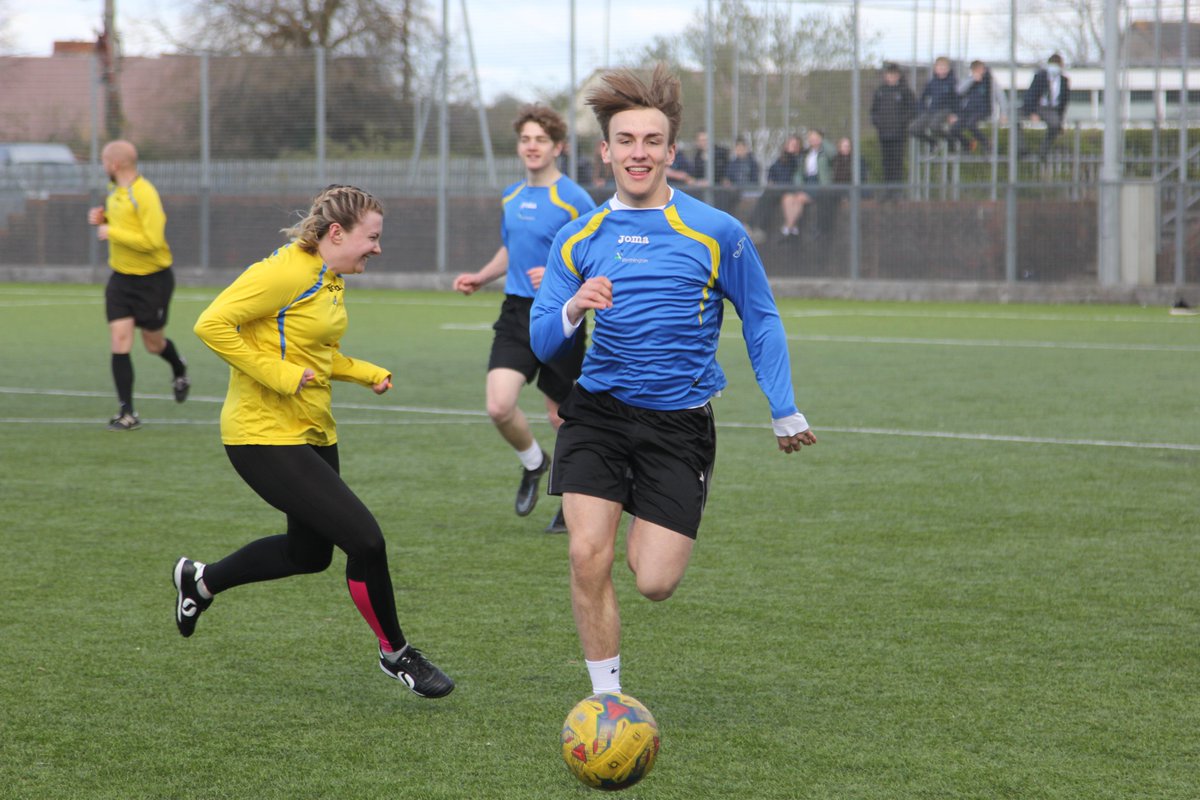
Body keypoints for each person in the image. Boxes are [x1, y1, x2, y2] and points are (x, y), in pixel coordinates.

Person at [528, 65, 817, 695]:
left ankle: (638, 507)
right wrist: (575, 306)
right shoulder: (578, 237)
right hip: (598, 415)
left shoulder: (717, 231)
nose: (639, 153)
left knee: (654, 581)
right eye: (625, 141)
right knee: (586, 555)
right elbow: (542, 335)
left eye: (651, 141)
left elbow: (761, 317)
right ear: (605, 151)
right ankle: (607, 704)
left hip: (678, 425)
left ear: (670, 151)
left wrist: (783, 406)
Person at [175, 185, 454, 699]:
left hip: (311, 430)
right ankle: (397, 654)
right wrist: (279, 375)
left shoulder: (329, 277)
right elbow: (211, 324)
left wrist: (367, 372)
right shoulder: (286, 271)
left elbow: (319, 355)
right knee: (366, 541)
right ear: (336, 233)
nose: (377, 247)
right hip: (261, 435)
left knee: (309, 555)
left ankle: (201, 581)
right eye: (371, 238)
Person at [452, 105, 596, 533]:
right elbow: (512, 249)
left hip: (559, 314)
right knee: (499, 405)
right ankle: (535, 464)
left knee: (561, 418)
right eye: (525, 140)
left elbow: (594, 258)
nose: (532, 147)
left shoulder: (575, 199)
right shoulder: (512, 196)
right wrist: (482, 276)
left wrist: (559, 278)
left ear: (559, 147)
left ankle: (572, 501)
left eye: (541, 140)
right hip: (516, 310)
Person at [86, 140, 189, 431]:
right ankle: (127, 412)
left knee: (153, 344)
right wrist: (103, 218)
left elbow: (152, 241)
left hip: (153, 280)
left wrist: (112, 231)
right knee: (120, 340)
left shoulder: (144, 194)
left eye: (104, 162)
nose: (103, 167)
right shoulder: (114, 190)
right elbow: (123, 224)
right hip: (121, 279)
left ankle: (179, 369)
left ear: (114, 164)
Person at [779, 128, 834, 238]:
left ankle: (787, 228)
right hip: (806, 182)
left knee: (799, 198)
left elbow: (833, 152)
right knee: (787, 198)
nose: (813, 139)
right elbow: (800, 171)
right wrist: (799, 184)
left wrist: (822, 141)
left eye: (815, 137)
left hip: (818, 183)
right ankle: (793, 228)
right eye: (811, 137)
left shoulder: (825, 152)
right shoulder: (806, 153)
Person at [870, 63, 917, 185]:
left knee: (897, 162)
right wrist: (878, 123)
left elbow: (912, 110)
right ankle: (887, 190)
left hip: (898, 134)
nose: (891, 77)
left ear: (898, 75)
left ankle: (897, 191)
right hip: (884, 133)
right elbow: (873, 110)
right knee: (886, 162)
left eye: (894, 74)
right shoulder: (880, 91)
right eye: (889, 74)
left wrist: (901, 123)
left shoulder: (904, 91)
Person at [1020, 54, 1070, 159]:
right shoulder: (1040, 76)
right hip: (1037, 106)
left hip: (1051, 109)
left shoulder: (1064, 81)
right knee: (1014, 117)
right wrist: (1032, 112)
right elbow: (1030, 95)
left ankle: (1043, 152)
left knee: (1055, 124)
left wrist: (1061, 121)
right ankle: (1021, 150)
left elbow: (1064, 102)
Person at [909, 56, 958, 147]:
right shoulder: (932, 82)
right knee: (913, 129)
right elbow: (923, 98)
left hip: (945, 110)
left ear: (948, 69)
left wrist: (954, 114)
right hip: (932, 110)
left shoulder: (952, 82)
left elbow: (956, 99)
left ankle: (951, 141)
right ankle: (933, 143)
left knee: (934, 127)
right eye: (939, 67)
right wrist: (922, 111)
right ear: (935, 68)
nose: (941, 69)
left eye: (944, 67)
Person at [950, 60, 993, 153]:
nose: (979, 72)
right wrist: (973, 80)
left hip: (983, 110)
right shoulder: (969, 80)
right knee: (954, 129)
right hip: (968, 111)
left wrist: (1004, 113)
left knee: (970, 125)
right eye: (976, 70)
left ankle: (986, 142)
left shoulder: (989, 82)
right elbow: (959, 91)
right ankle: (968, 144)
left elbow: (999, 96)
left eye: (981, 70)